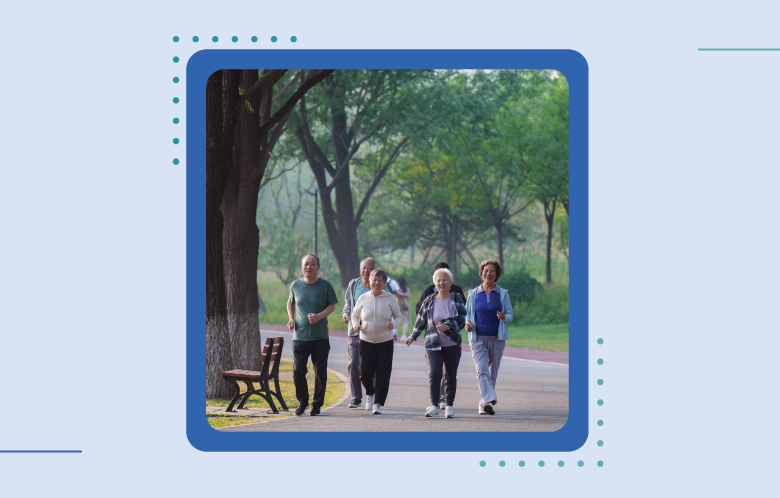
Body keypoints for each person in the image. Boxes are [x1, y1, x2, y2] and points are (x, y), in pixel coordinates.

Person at [405, 267, 466, 418]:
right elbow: (421, 320)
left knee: (450, 376)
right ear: (435, 283)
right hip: (433, 344)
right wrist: (413, 336)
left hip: (452, 345)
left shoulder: (457, 298)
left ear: (451, 282)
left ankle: (449, 406)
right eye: (438, 280)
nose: (441, 283)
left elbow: (463, 319)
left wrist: (448, 326)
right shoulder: (429, 300)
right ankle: (434, 406)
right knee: (435, 373)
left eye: (444, 280)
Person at [286, 254, 339, 416]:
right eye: (306, 264)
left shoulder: (325, 285)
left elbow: (332, 306)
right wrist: (291, 319)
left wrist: (319, 316)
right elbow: (290, 302)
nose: (308, 267)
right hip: (300, 337)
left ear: (318, 267)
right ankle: (303, 401)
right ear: (302, 267)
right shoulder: (295, 285)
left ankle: (317, 404)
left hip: (320, 338)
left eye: (312, 264)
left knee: (320, 372)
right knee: (298, 370)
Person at [465, 259, 513, 416]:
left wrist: (504, 316)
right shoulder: (473, 294)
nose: (488, 273)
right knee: (482, 371)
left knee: (492, 374)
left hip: (497, 339)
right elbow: (467, 315)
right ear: (481, 273)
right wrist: (468, 324)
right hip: (477, 339)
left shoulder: (502, 293)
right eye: (486, 270)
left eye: (492, 271)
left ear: (497, 274)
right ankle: (489, 400)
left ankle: (483, 404)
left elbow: (510, 315)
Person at [351, 269, 402, 415]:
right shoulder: (363, 297)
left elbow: (399, 317)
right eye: (374, 279)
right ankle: (370, 394)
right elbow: (355, 315)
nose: (377, 282)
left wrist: (393, 324)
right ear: (370, 281)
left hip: (385, 341)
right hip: (366, 340)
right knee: (364, 373)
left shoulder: (390, 298)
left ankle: (378, 403)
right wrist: (356, 325)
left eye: (380, 280)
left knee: (383, 373)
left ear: (384, 283)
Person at [340, 257, 376, 408]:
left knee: (368, 366)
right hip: (354, 331)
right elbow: (348, 302)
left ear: (374, 270)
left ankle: (371, 394)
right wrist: (346, 313)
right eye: (364, 268)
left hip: (371, 334)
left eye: (369, 268)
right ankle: (356, 397)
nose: (366, 271)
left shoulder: (377, 285)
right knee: (353, 363)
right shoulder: (353, 284)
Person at [395, 277, 412, 341]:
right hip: (405, 306)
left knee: (396, 320)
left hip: (398, 305)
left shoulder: (397, 289)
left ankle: (394, 334)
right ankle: (404, 335)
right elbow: (407, 299)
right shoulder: (407, 289)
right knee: (405, 321)